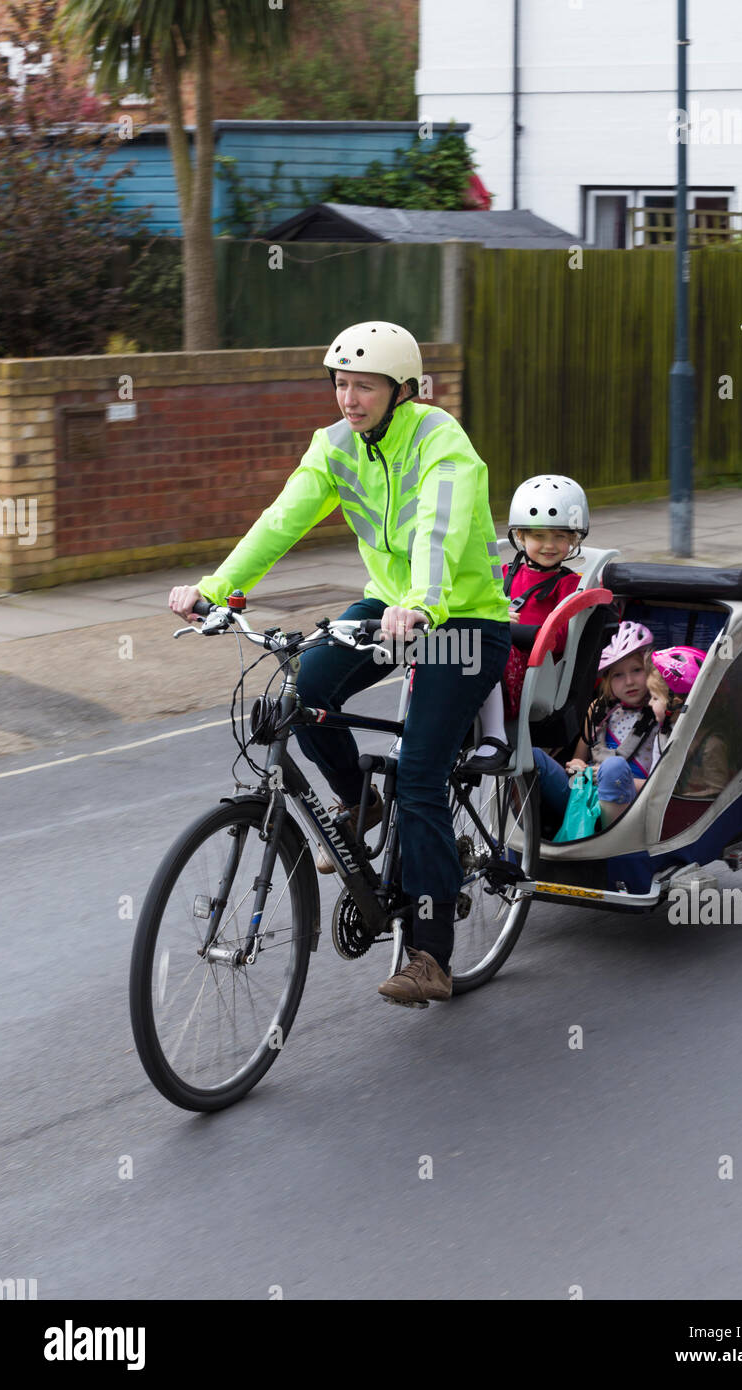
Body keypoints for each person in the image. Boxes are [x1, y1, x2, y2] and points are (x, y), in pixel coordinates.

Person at [169, 321, 510, 1009]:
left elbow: (439, 532)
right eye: (341, 383)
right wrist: (216, 588)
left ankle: (430, 951)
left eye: (364, 386)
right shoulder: (334, 447)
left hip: (462, 620)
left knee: (420, 769)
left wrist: (422, 602)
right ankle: (358, 800)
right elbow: (280, 520)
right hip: (389, 606)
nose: (348, 398)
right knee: (305, 688)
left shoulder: (441, 442)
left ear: (401, 391)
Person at [464, 474, 588, 774]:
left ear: (573, 539)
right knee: (440, 645)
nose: (549, 545)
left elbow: (560, 639)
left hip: (536, 677)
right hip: (493, 666)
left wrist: (507, 628)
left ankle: (495, 737)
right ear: (520, 536)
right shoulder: (504, 573)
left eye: (560, 536)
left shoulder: (569, 584)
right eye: (538, 536)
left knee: (487, 646)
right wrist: (489, 615)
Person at [531, 621, 659, 832]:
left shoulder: (659, 713)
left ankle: (603, 842)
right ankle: (528, 836)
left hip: (629, 804)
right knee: (532, 757)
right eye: (618, 675)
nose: (629, 681)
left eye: (637, 670)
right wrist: (577, 766)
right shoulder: (598, 709)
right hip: (584, 796)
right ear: (607, 680)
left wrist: (608, 777)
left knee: (614, 768)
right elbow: (579, 758)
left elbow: (662, 788)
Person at [647, 646, 728, 797]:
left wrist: (682, 798)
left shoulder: (711, 746)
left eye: (655, 698)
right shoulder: (663, 735)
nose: (649, 703)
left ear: (675, 704)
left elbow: (718, 793)